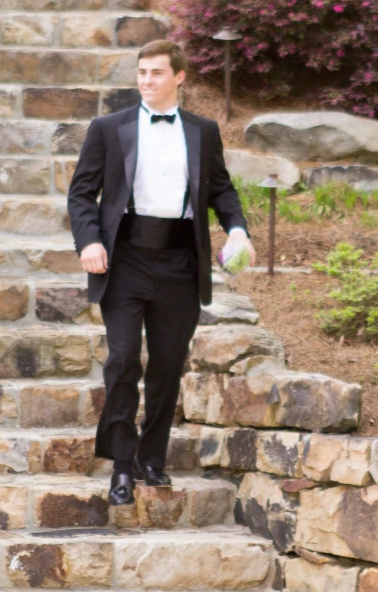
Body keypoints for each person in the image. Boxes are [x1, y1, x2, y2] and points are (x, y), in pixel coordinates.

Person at [67, 40, 255, 506]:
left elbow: (222, 189)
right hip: (125, 258)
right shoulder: (109, 128)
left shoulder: (203, 130)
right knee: (124, 360)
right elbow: (81, 193)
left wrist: (237, 229)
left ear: (179, 77)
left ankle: (153, 459)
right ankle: (122, 467)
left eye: (156, 72)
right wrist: (89, 240)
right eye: (142, 72)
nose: (146, 80)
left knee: (168, 367)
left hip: (179, 263)